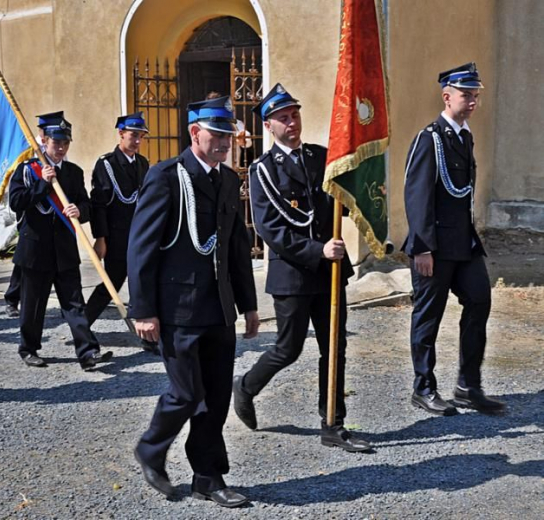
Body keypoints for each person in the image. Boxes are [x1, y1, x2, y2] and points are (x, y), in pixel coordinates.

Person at [128, 96, 259, 508]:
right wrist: (143, 309)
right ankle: (151, 449)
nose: (224, 143)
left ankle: (208, 476)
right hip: (177, 308)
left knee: (216, 397)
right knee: (186, 393)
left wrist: (248, 303)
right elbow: (142, 247)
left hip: (217, 308)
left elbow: (236, 247)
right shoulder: (167, 176)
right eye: (217, 135)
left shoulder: (225, 179)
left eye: (228, 136)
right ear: (194, 133)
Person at [231, 84, 371, 452]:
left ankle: (332, 423)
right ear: (268, 126)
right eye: (283, 118)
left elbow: (343, 196)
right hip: (293, 273)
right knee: (288, 348)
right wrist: (318, 249)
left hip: (330, 273)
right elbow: (272, 230)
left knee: (334, 347)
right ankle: (245, 387)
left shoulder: (322, 158)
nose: (292, 122)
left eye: (295, 115)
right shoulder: (262, 171)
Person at [403, 63, 504, 415]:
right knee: (428, 317)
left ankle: (468, 385)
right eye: (466, 95)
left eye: (475, 95)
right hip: (435, 246)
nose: (473, 101)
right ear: (447, 96)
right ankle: (424, 388)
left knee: (480, 300)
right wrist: (422, 247)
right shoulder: (429, 138)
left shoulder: (464, 135)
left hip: (463, 243)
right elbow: (416, 195)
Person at [8, 112, 112, 371]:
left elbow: (87, 203)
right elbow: (16, 203)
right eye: (56, 142)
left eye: (66, 142)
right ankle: (28, 348)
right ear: (43, 140)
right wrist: (42, 184)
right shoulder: (26, 171)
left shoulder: (74, 172)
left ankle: (88, 352)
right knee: (33, 305)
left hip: (64, 250)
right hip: (35, 250)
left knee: (74, 304)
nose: (62, 147)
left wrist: (80, 210)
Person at [84, 112, 156, 352]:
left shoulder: (143, 163)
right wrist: (100, 238)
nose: (137, 141)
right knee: (111, 284)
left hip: (140, 236)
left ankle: (148, 336)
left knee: (142, 285)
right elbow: (99, 205)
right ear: (121, 134)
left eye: (141, 137)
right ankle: (81, 327)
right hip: (116, 236)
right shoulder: (107, 164)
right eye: (133, 135)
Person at [2, 112, 57, 318]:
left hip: (51, 211)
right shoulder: (30, 152)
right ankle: (12, 298)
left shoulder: (57, 149)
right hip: (30, 210)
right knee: (25, 258)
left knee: (31, 259)